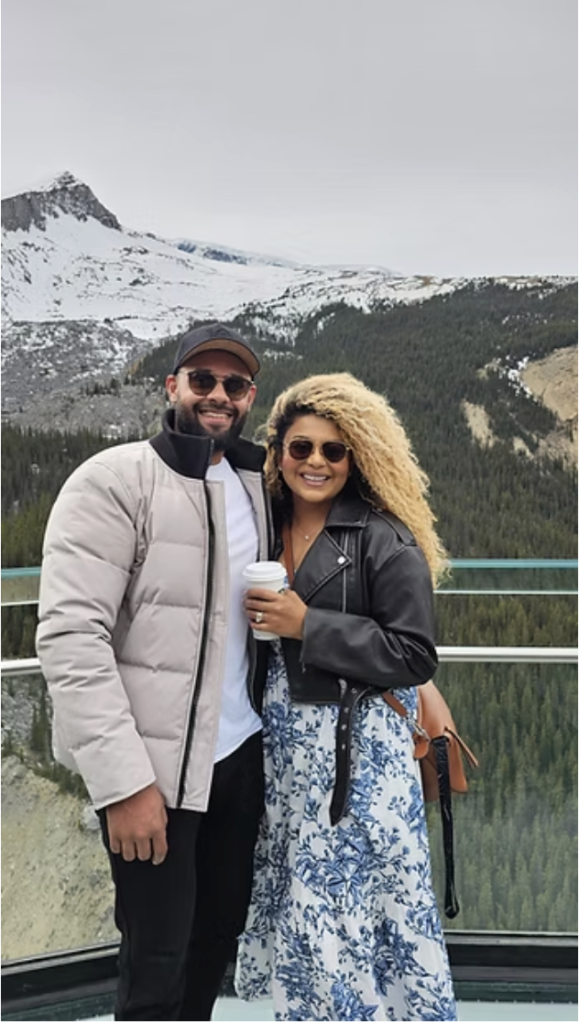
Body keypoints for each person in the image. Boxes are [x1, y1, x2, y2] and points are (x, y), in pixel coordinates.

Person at [36, 323, 272, 1021]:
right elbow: (72, 638)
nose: (218, 395)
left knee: (215, 939)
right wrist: (124, 785)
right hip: (153, 773)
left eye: (234, 384)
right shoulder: (113, 480)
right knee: (155, 964)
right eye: (202, 380)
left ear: (249, 397)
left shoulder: (256, 484)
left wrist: (419, 681)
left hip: (238, 758)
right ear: (172, 386)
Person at [235, 372, 457, 1022]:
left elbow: (413, 655)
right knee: (311, 915)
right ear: (278, 454)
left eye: (334, 450)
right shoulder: (264, 526)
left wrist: (309, 626)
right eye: (300, 447)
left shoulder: (385, 539)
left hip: (360, 763)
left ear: (357, 457)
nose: (316, 462)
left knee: (361, 909)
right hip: (288, 761)